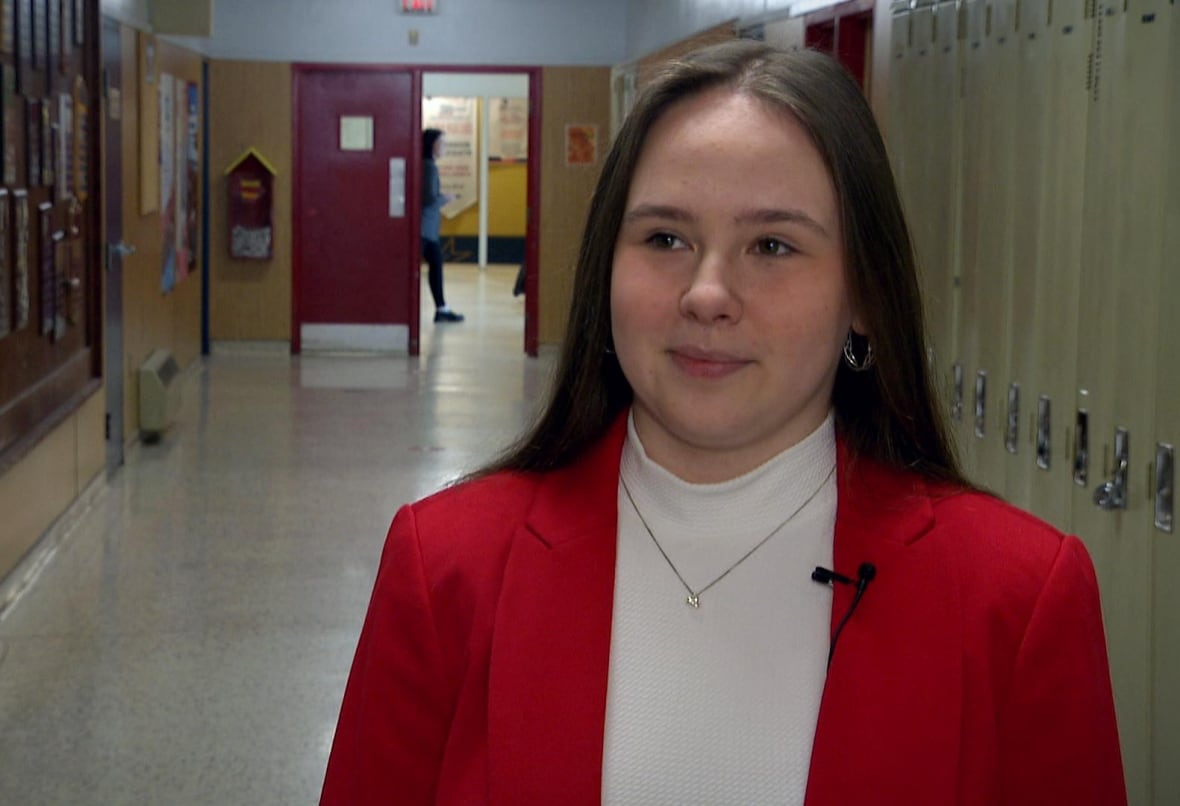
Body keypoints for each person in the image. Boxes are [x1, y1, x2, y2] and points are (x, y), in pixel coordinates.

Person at [322, 42, 1125, 805]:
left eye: (772, 246)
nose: (707, 293)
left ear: (866, 298)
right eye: (665, 238)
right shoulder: (445, 572)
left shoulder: (1017, 603)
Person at [422, 128, 464, 323]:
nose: (444, 147)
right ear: (432, 145)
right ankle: (441, 308)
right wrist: (445, 198)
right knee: (436, 265)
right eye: (442, 143)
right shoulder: (429, 167)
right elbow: (428, 198)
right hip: (425, 228)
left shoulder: (426, 165)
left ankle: (442, 308)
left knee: (436, 265)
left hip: (427, 228)